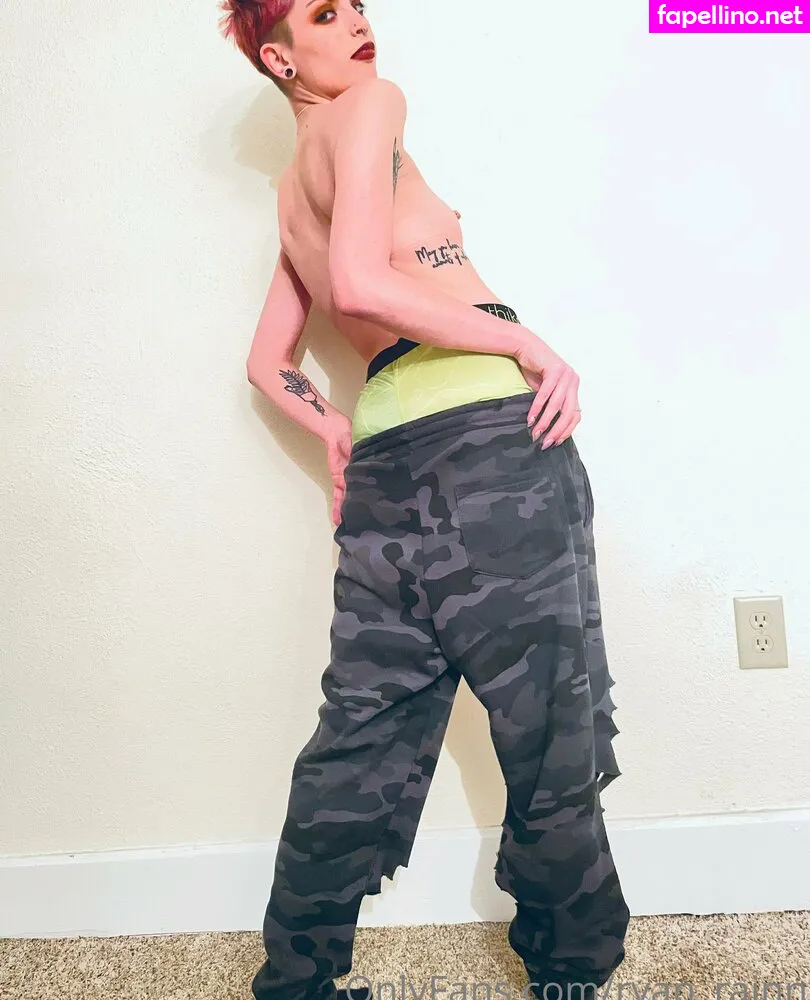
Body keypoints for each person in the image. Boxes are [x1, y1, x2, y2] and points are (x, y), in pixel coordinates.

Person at [218, 3, 630, 1000]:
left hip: (393, 462)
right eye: (324, 13)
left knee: (360, 732)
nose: (358, 21)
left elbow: (268, 362)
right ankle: (569, 965)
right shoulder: (373, 107)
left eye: (356, 3)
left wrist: (337, 431)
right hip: (491, 445)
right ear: (280, 57)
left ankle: (298, 981)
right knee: (550, 719)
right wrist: (522, 340)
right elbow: (363, 284)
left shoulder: (293, 191)